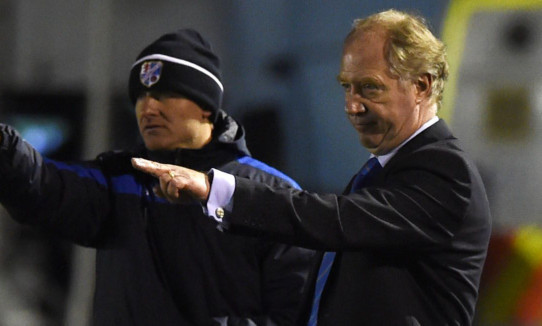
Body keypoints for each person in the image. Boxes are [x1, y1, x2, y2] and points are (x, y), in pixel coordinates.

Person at [132, 10, 492, 326]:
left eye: (369, 88)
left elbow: (335, 220)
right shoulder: (386, 170)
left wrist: (219, 190)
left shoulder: (446, 171)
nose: (352, 105)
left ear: (421, 85)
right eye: (347, 88)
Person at [0, 29, 316, 325]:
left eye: (165, 94)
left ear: (205, 106)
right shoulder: (118, 181)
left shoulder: (268, 193)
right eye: (140, 96)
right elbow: (44, 183)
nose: (147, 108)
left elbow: (297, 311)